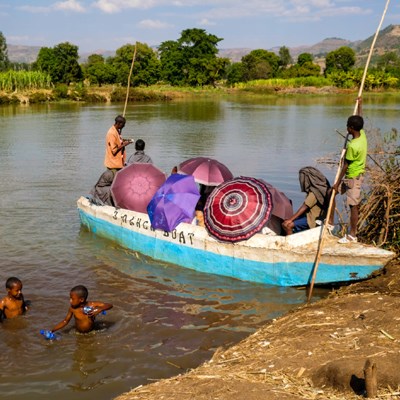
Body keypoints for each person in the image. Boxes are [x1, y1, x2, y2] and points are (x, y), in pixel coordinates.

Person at [332, 107, 367, 243]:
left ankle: (352, 235)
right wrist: (360, 103)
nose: (346, 128)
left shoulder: (353, 146)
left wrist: (337, 183)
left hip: (353, 178)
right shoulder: (362, 135)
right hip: (349, 178)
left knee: (353, 206)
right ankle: (329, 223)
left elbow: (345, 166)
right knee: (331, 194)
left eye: (347, 126)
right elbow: (360, 117)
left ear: (351, 128)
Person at [282, 166, 331, 235]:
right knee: (288, 221)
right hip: (310, 216)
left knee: (287, 225)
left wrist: (290, 220)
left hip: (312, 218)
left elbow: (304, 207)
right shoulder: (321, 189)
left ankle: (290, 241)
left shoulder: (314, 193)